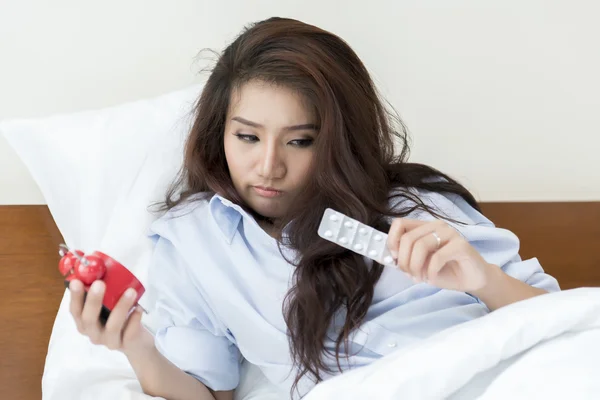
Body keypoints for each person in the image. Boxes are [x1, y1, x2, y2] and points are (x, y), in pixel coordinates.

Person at [67, 16, 560, 400]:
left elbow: (562, 321)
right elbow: (209, 392)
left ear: (335, 141)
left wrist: (482, 280)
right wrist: (134, 342)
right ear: (220, 132)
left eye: (299, 141)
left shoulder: (414, 204)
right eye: (247, 136)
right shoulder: (196, 242)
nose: (268, 166)